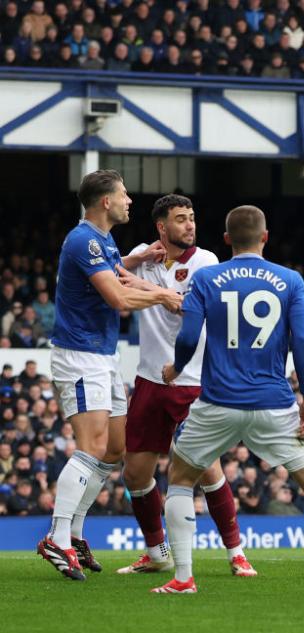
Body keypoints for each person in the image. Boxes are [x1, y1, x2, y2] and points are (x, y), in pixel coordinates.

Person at [155, 205, 304, 594]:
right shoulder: (289, 281)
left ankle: (183, 577)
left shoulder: (207, 277)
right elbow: (301, 342)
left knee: (181, 479)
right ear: (265, 237)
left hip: (217, 402)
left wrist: (176, 368)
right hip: (274, 403)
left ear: (228, 239)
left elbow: (187, 337)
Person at [38, 170, 182, 581]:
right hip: (79, 357)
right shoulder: (84, 239)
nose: (129, 201)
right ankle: (55, 536)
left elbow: (114, 271)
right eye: (123, 195)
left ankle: (75, 532)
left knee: (115, 448)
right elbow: (117, 297)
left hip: (102, 355)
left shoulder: (101, 241)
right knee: (92, 444)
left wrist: (134, 260)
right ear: (105, 201)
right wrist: (161, 295)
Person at [116, 194, 256, 577]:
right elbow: (106, 278)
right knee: (136, 475)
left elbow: (182, 306)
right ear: (162, 226)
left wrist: (137, 286)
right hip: (148, 379)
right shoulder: (143, 255)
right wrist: (133, 265)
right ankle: (156, 552)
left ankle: (236, 553)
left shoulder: (206, 261)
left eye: (191, 217)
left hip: (191, 380)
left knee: (207, 469)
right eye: (181, 219)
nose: (190, 225)